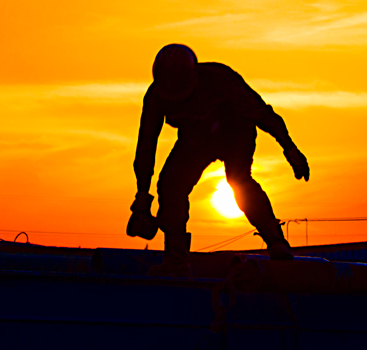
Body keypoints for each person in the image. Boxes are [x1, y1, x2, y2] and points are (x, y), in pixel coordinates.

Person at [127, 44, 309, 277]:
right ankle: (176, 260)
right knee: (170, 184)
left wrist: (290, 149)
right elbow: (146, 145)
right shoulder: (155, 97)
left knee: (238, 180)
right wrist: (142, 194)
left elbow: (262, 113)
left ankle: (276, 241)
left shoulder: (221, 79)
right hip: (195, 139)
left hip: (235, 133)